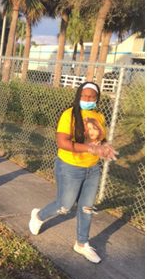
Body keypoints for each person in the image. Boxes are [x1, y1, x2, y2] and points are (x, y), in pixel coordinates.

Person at [29, 82, 118, 264]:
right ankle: (38, 216)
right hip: (70, 166)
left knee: (86, 208)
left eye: (92, 97)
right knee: (64, 206)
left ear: (97, 99)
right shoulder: (69, 114)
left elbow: (100, 140)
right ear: (78, 96)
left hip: (92, 169)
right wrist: (89, 149)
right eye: (84, 96)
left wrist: (105, 148)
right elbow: (62, 142)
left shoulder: (98, 116)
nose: (88, 99)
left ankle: (82, 243)